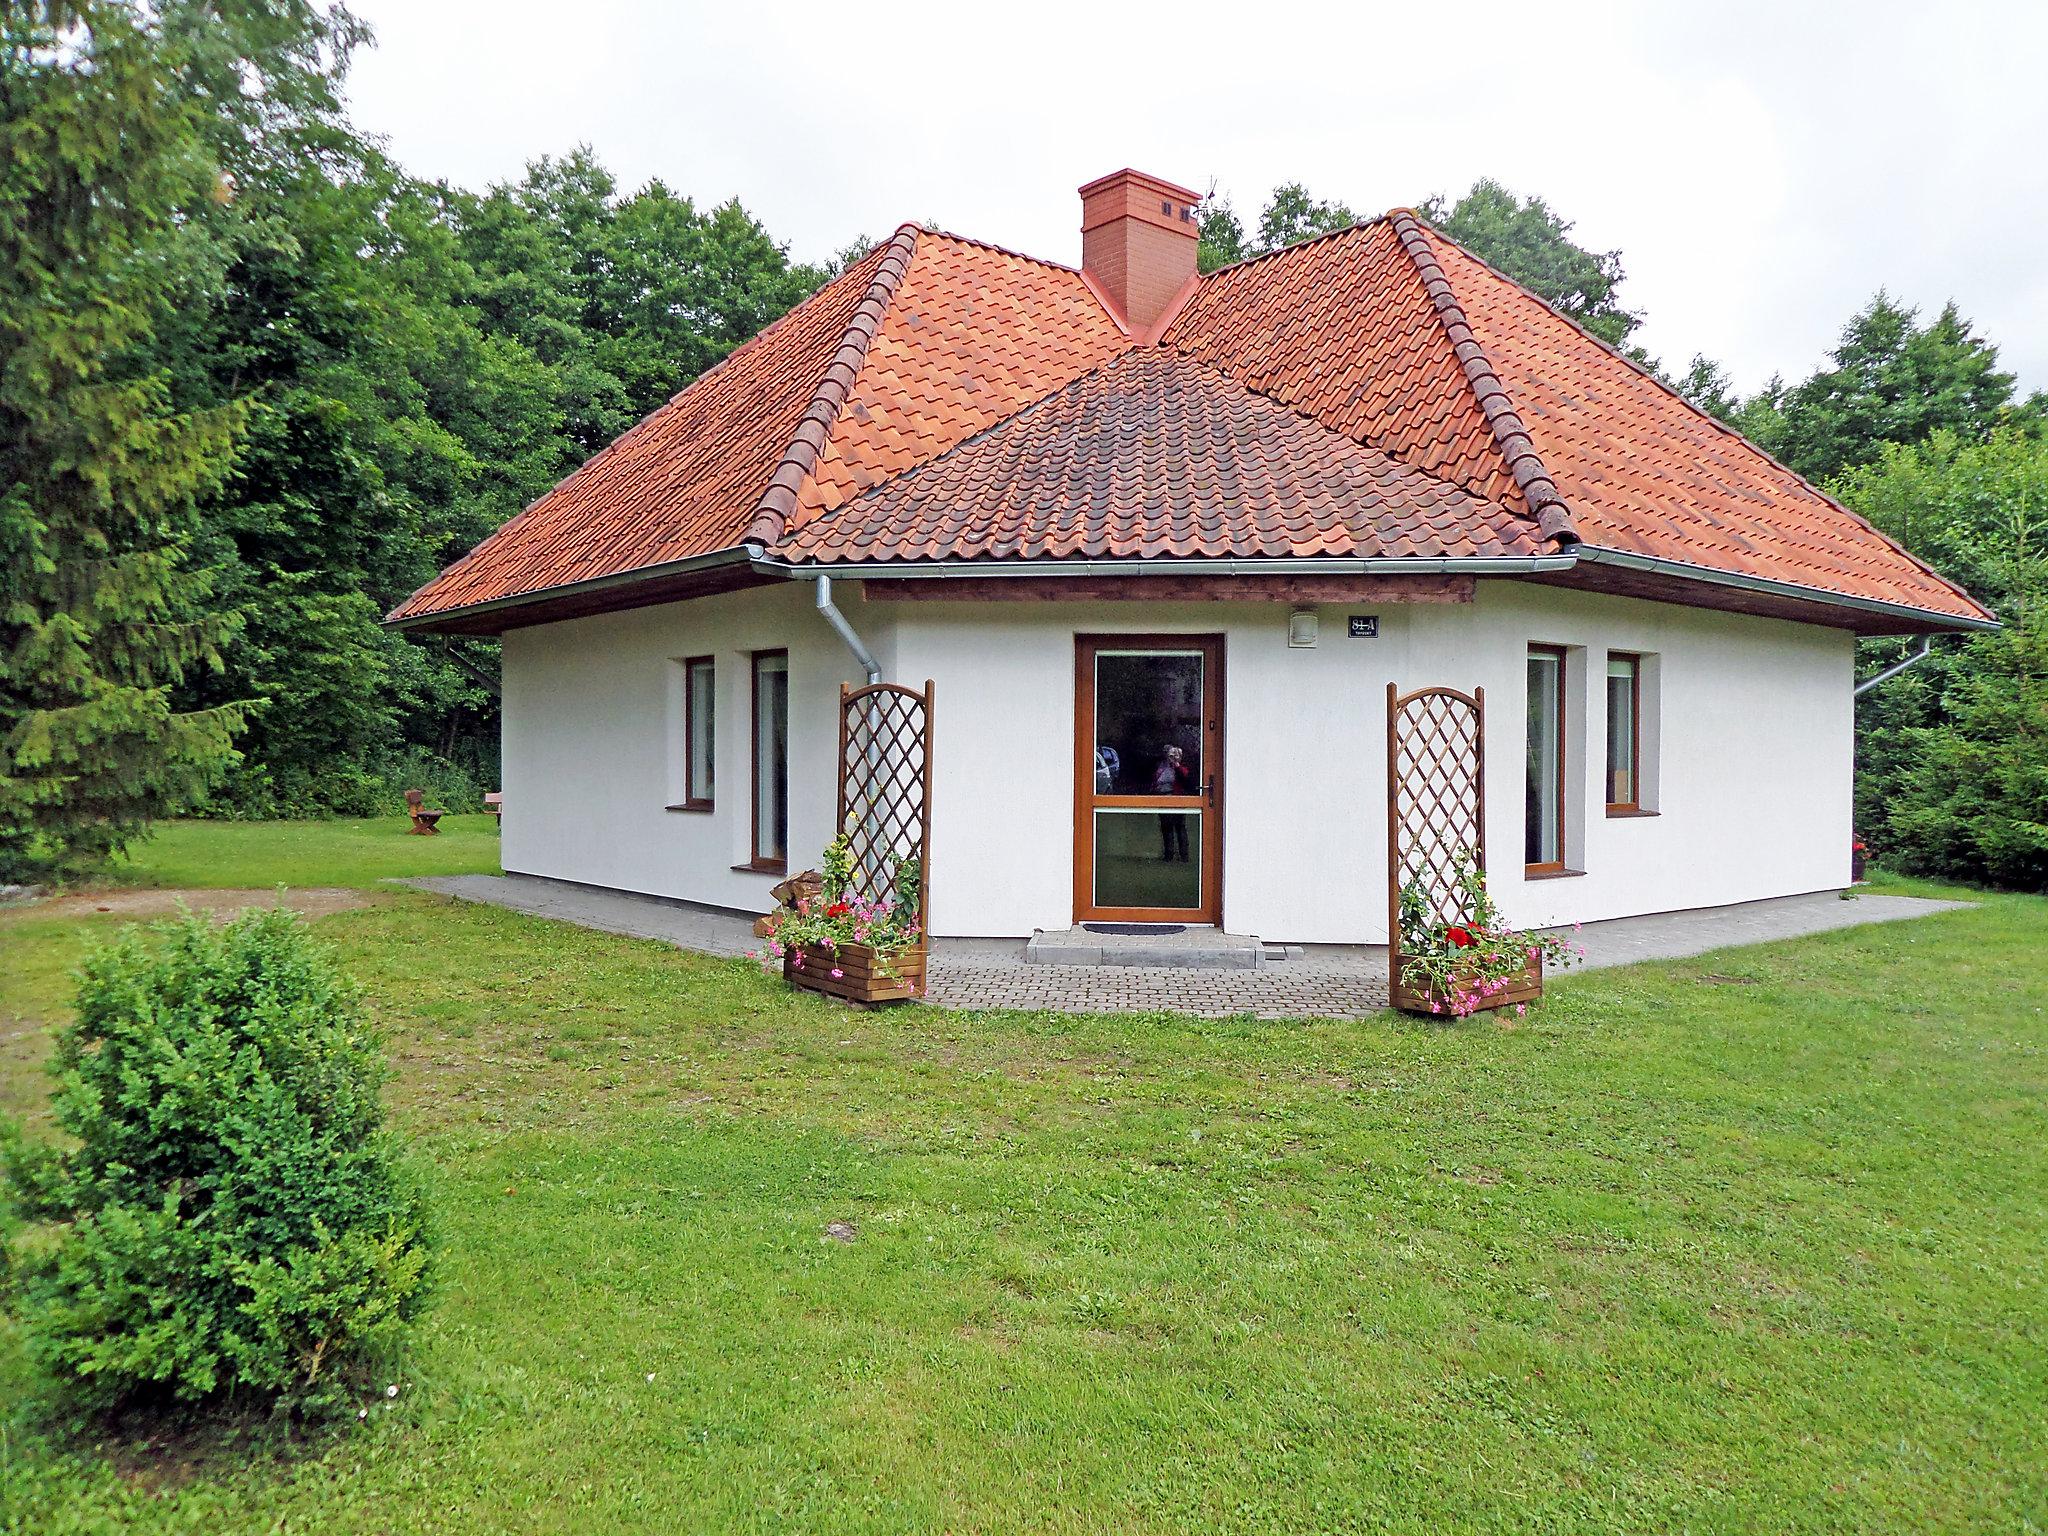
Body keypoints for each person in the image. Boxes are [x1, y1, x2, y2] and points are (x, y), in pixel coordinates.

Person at [1153, 745, 1191, 861]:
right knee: (1166, 826)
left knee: (1180, 827)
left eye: (1175, 756)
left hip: (1176, 798)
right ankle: (1168, 854)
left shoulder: (1181, 768)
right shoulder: (1161, 767)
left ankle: (1184, 855)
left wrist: (1176, 766)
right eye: (1170, 756)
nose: (1172, 758)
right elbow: (1155, 779)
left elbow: (1185, 780)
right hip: (1162, 797)